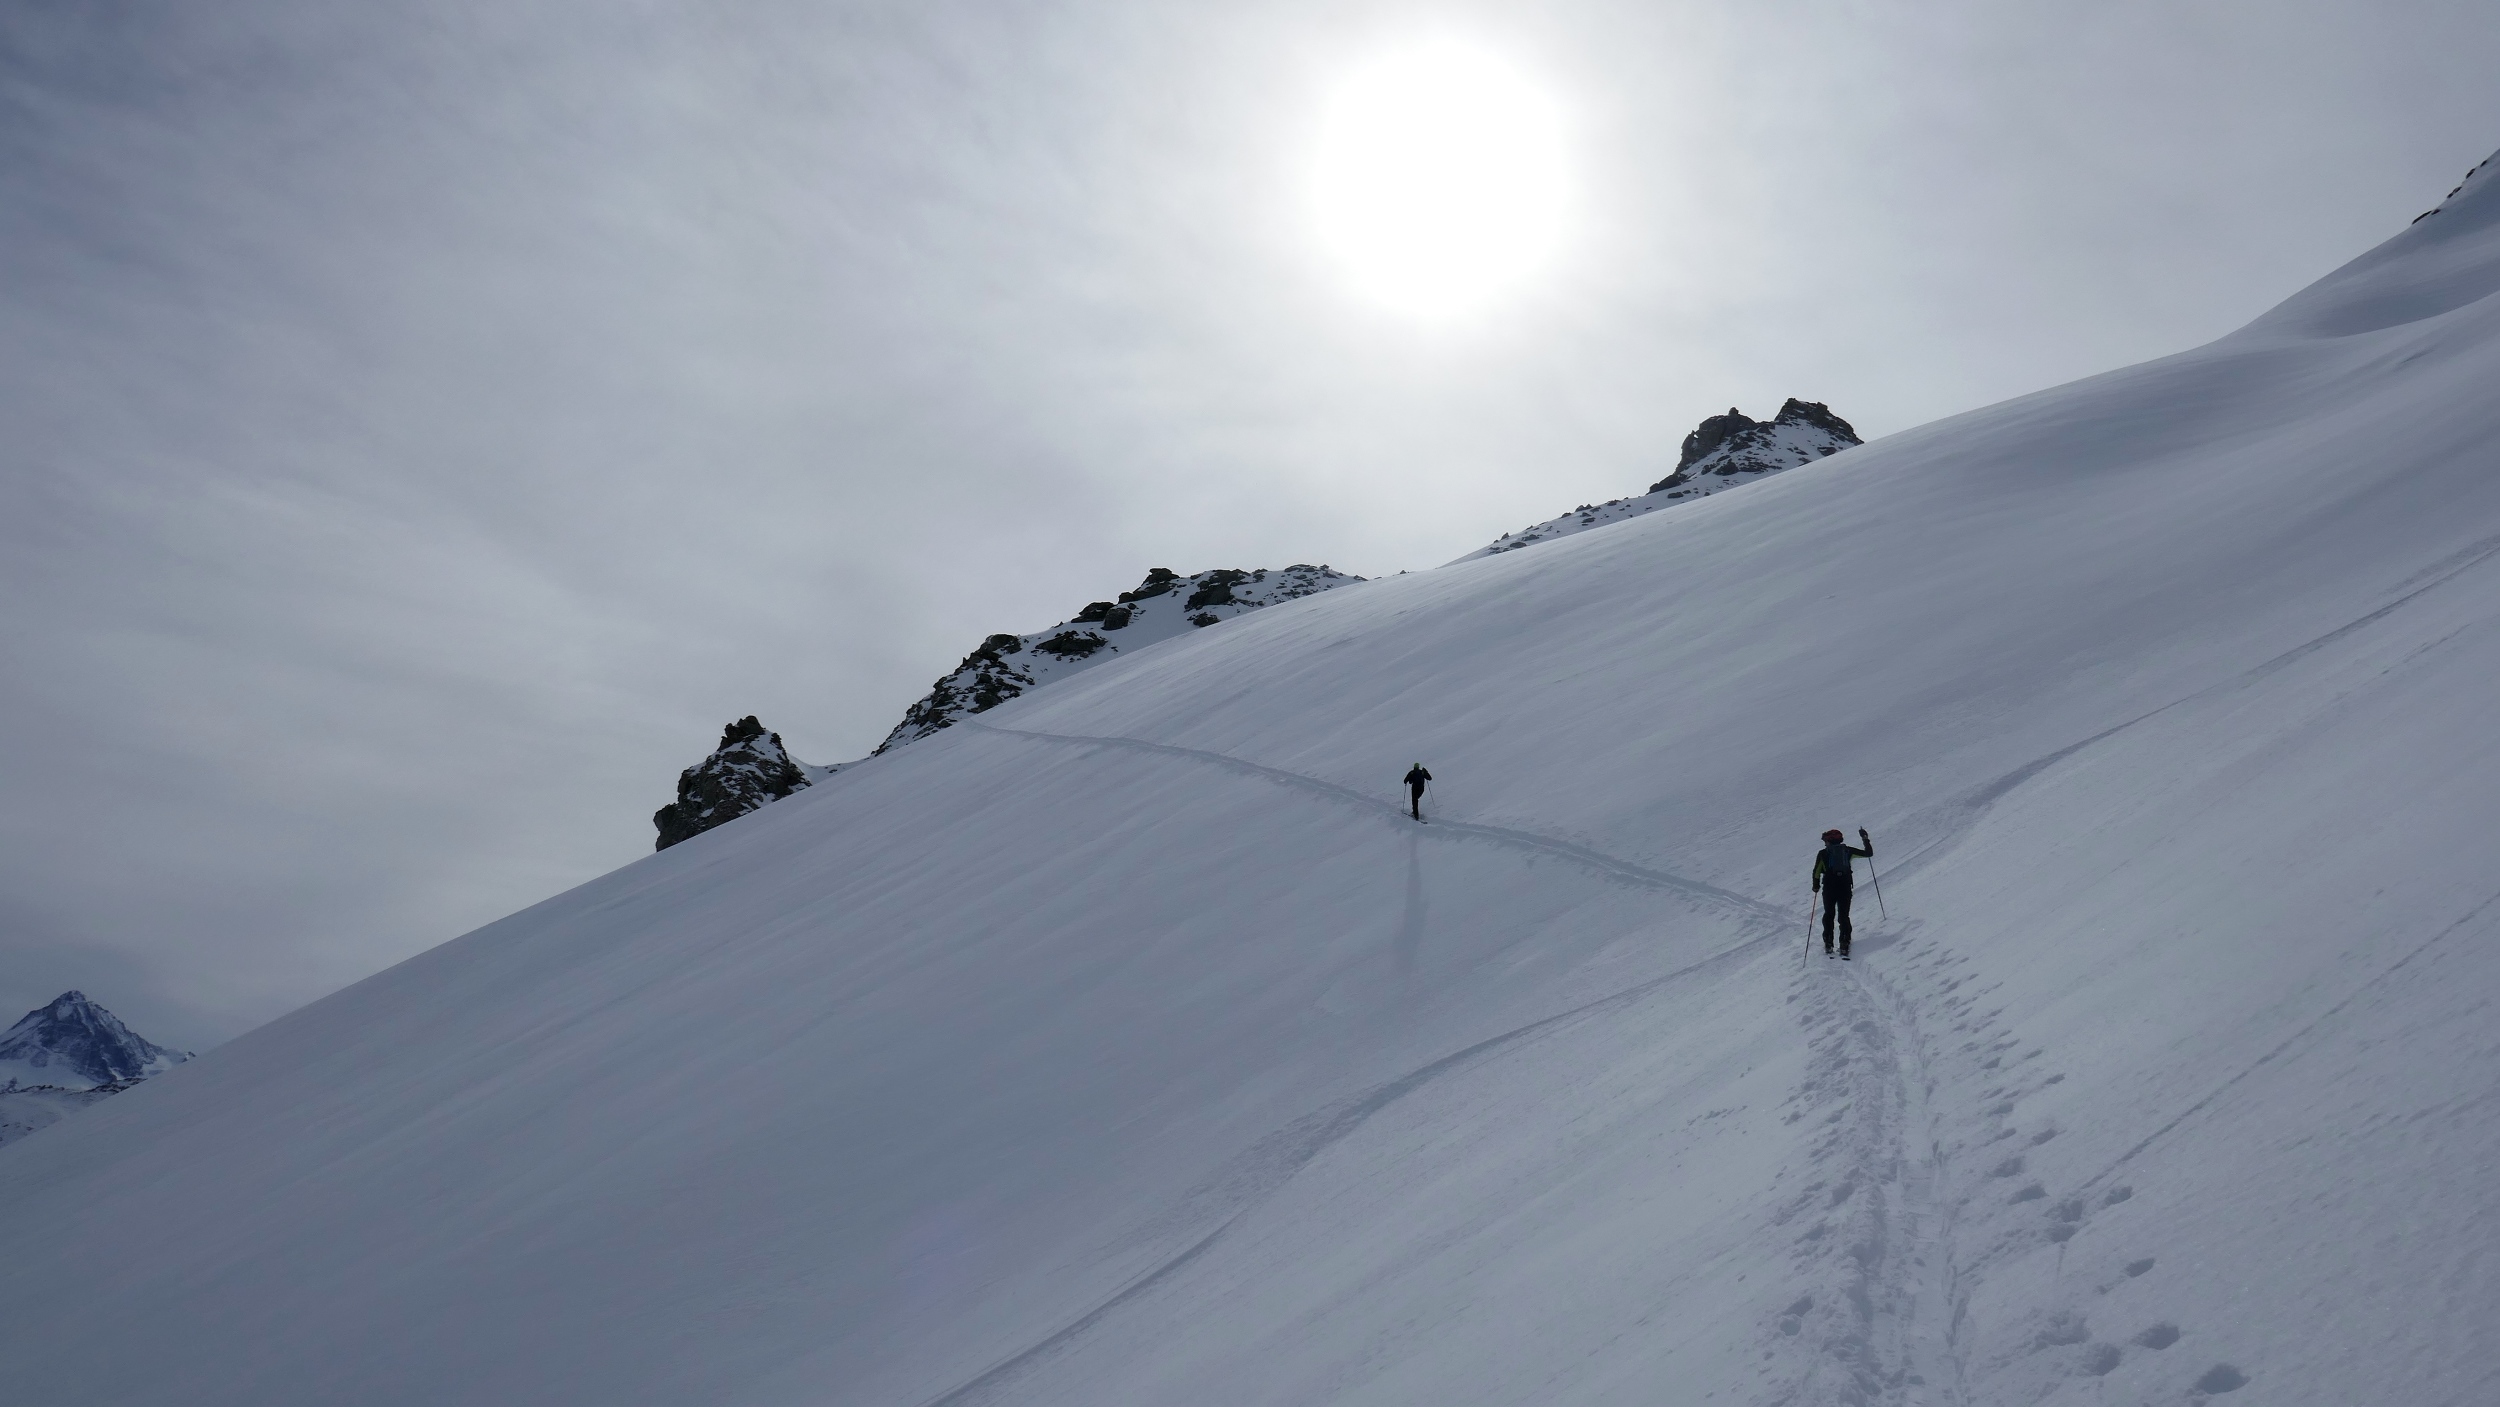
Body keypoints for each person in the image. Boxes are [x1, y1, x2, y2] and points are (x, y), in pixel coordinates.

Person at [1812, 827, 1874, 958]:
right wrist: (1865, 838)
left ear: (1829, 841)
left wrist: (1816, 886)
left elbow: (1816, 871)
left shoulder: (1823, 853)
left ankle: (1828, 942)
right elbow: (1868, 853)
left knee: (1829, 914)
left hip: (1829, 887)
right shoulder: (1848, 850)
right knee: (1843, 915)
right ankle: (1844, 943)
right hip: (1845, 887)